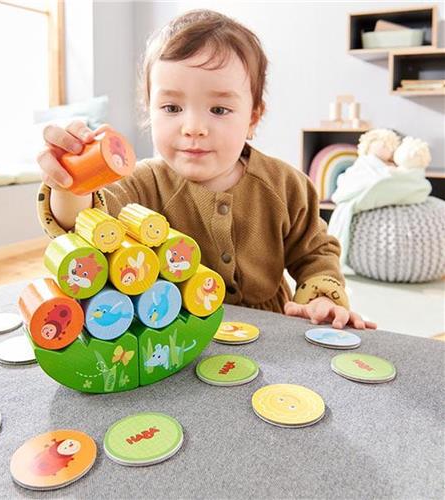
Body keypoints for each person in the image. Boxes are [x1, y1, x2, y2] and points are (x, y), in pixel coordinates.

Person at [36, 9, 376, 330]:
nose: (193, 127)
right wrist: (71, 181)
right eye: (172, 107)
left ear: (253, 117)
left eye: (219, 109)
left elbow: (315, 252)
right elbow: (82, 222)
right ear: (149, 110)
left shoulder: (286, 185)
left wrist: (320, 299)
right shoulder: (141, 183)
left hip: (268, 330)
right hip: (171, 330)